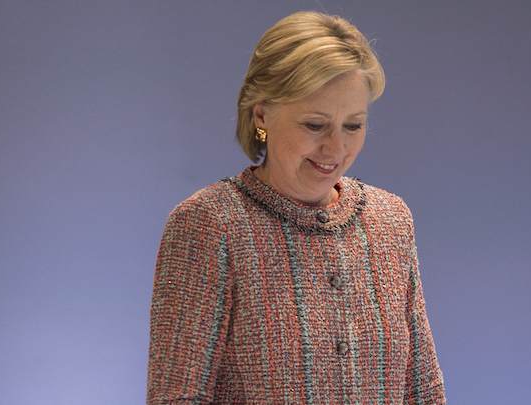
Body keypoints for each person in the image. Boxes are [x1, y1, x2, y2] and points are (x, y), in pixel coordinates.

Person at [147, 11, 445, 405]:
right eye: (314, 125)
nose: (336, 148)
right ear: (261, 115)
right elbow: (176, 395)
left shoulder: (390, 219)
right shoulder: (210, 224)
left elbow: (422, 389)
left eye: (353, 125)